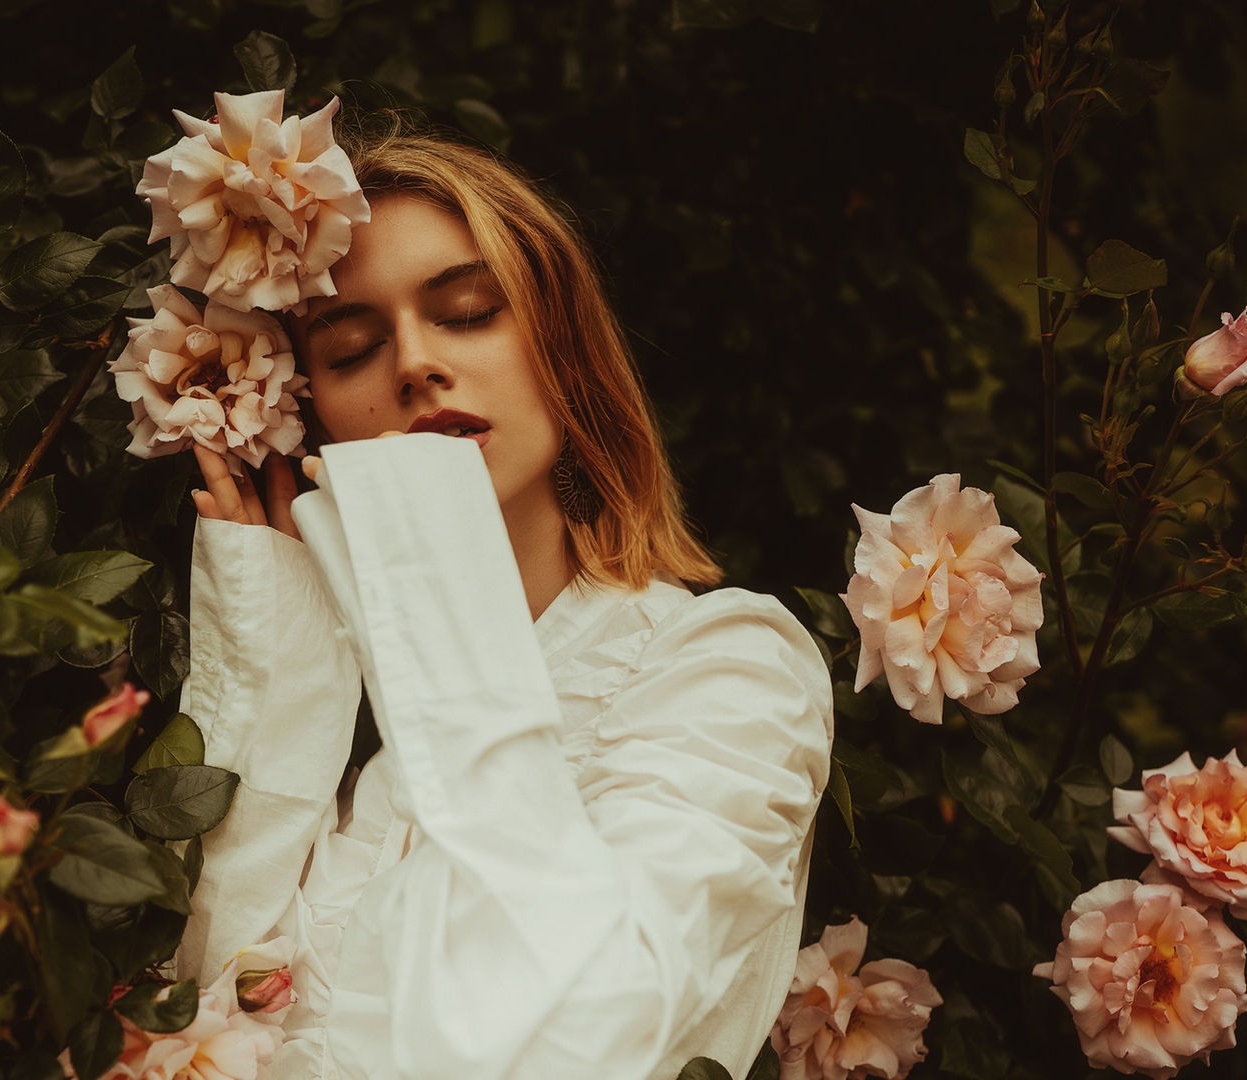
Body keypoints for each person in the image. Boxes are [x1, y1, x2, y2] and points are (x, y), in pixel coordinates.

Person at [171, 121, 833, 1080]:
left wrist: (425, 561)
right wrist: (286, 662)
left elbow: (582, 1024)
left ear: (562, 347)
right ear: (314, 418)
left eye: (470, 311)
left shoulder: (731, 669)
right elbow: (200, 1012)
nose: (414, 363)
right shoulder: (352, 754)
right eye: (352, 349)